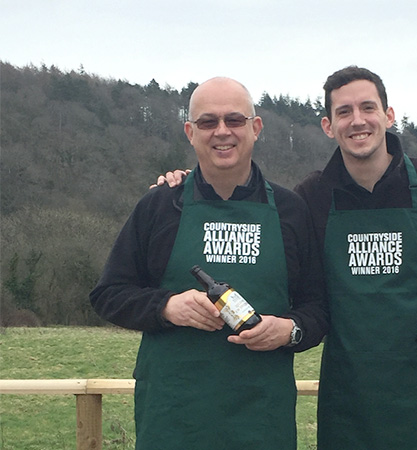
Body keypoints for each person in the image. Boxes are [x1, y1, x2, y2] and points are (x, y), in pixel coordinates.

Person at [157, 66, 417, 449]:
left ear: (389, 116)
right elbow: (297, 288)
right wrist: (193, 183)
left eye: (367, 108)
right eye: (344, 112)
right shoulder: (311, 198)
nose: (357, 120)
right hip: (349, 399)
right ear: (328, 126)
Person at [90, 77, 328, 450]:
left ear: (256, 127)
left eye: (234, 120)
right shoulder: (159, 206)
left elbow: (319, 307)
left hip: (261, 419)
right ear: (190, 132)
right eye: (207, 122)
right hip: (174, 419)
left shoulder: (291, 210)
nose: (222, 131)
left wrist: (290, 330)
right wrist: (167, 307)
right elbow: (108, 295)